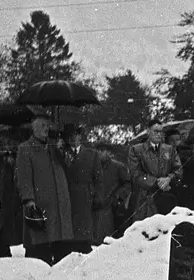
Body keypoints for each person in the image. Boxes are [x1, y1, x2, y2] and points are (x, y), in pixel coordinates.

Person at [16, 109, 75, 265]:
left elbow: (68, 168)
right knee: (39, 251)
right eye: (42, 125)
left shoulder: (54, 147)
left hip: (60, 207)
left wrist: (63, 150)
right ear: (34, 128)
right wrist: (29, 201)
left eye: (48, 125)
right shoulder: (25, 148)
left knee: (62, 251)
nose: (46, 128)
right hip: (41, 208)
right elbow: (23, 178)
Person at [127, 120, 183, 222]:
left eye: (161, 132)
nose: (158, 134)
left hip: (167, 197)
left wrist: (169, 179)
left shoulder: (169, 150)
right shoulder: (136, 150)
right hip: (145, 199)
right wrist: (157, 182)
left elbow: (178, 169)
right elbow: (135, 174)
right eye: (155, 131)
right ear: (148, 131)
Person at [61, 124, 105, 253]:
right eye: (69, 136)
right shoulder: (61, 154)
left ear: (80, 136)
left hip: (85, 197)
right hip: (67, 197)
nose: (73, 139)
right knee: (69, 234)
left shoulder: (92, 154)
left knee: (84, 232)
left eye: (76, 135)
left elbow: (99, 179)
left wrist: (98, 197)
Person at [0, 128, 25, 257]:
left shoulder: (21, 154)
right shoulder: (4, 157)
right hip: (7, 197)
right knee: (2, 228)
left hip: (18, 196)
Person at [92, 146, 131, 243]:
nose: (100, 153)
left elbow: (128, 184)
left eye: (102, 150)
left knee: (108, 238)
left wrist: (118, 197)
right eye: (98, 150)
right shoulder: (93, 166)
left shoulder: (118, 166)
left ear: (109, 152)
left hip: (111, 207)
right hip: (95, 206)